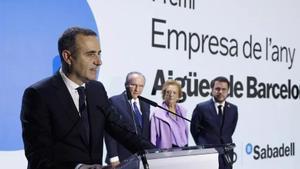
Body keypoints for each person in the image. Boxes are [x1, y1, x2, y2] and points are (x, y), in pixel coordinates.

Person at [20, 27, 154, 169]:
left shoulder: (97, 90)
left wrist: (157, 154)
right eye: (90, 54)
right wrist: (80, 168)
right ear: (68, 57)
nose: (99, 62)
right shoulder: (38, 94)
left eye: (99, 54)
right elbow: (38, 158)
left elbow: (124, 132)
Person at [190, 76, 238, 169]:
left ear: (228, 91)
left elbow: (230, 130)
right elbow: (194, 130)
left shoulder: (233, 109)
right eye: (217, 89)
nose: (220, 92)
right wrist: (203, 145)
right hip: (208, 155)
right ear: (212, 90)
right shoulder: (201, 108)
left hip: (227, 156)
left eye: (224, 89)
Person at [104, 72, 151, 166]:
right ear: (126, 85)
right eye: (133, 85)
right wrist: (113, 157)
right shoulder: (114, 101)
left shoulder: (146, 104)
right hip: (121, 158)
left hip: (141, 158)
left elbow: (144, 132)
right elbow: (109, 131)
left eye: (141, 86)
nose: (137, 89)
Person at [150, 80, 188, 149]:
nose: (171, 95)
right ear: (164, 94)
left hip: (183, 150)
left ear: (179, 96)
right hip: (166, 153)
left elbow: (185, 133)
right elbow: (152, 140)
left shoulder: (182, 112)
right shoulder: (157, 114)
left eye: (174, 93)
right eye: (168, 92)